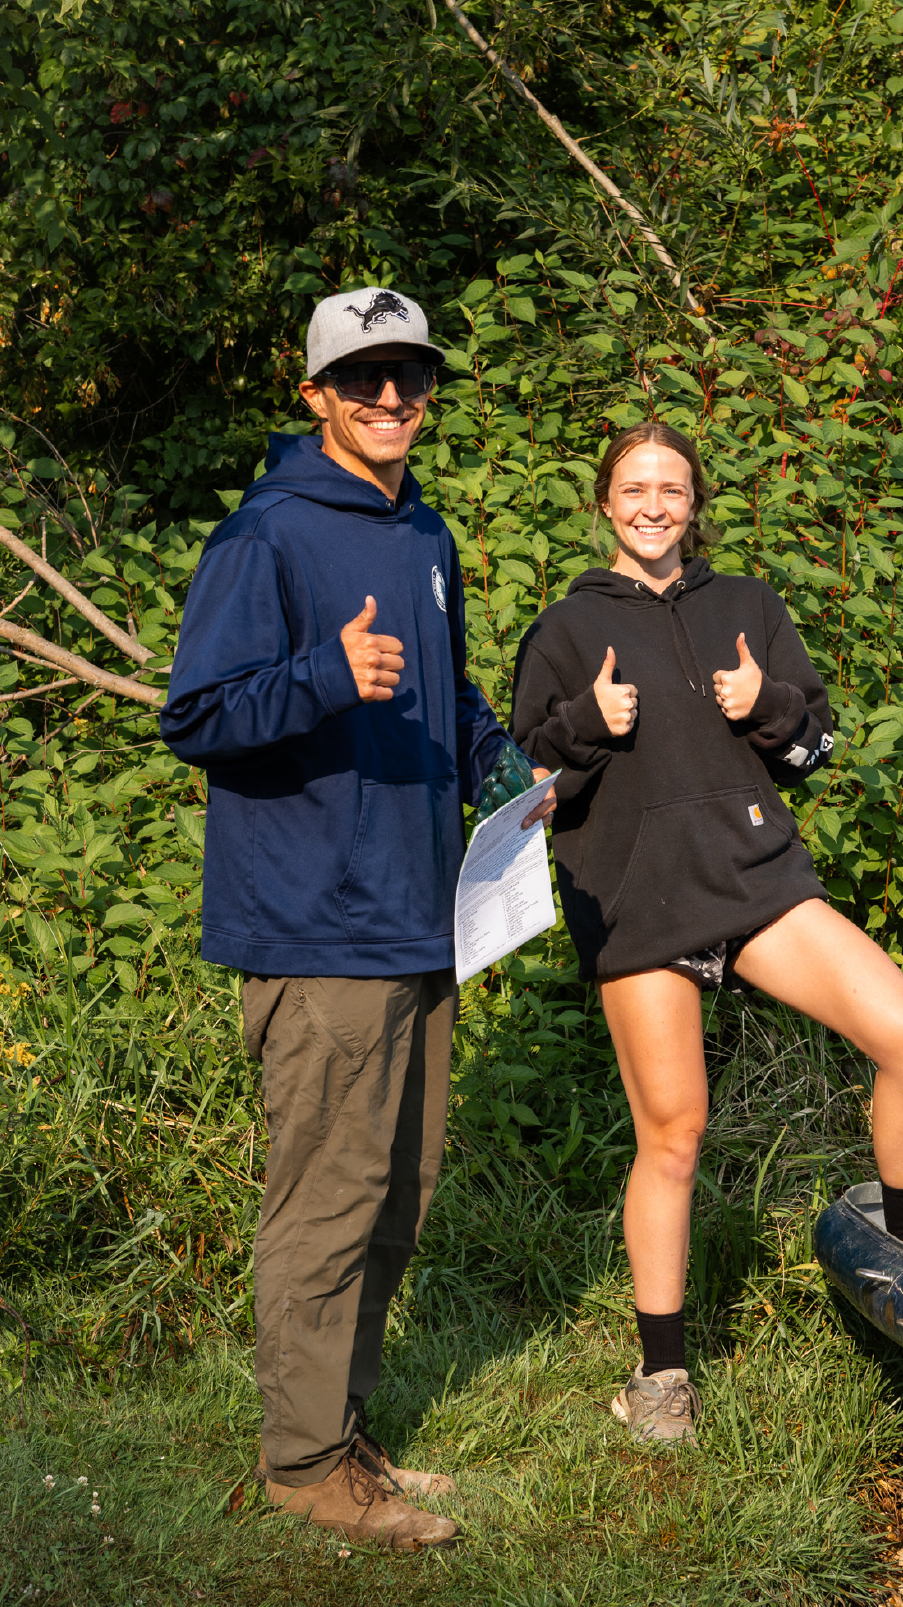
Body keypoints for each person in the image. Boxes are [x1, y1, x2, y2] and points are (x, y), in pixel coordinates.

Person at [161, 287, 553, 1546]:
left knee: (397, 1191)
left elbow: (442, 692)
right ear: (316, 392)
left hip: (415, 911)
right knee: (324, 1202)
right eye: (367, 377)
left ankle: (344, 1431)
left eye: (413, 377)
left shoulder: (422, 532)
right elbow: (199, 715)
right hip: (314, 920)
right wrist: (325, 676)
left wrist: (500, 765)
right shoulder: (263, 537)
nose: (394, 399)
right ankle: (301, 1464)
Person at [510, 421, 903, 1446]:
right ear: (603, 502)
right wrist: (589, 721)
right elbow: (527, 784)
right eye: (633, 486)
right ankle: (661, 1372)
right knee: (673, 1135)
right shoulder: (563, 628)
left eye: (670, 488)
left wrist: (761, 702)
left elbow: (813, 744)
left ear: (694, 502)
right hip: (637, 902)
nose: (652, 504)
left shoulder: (746, 605)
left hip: (753, 880)